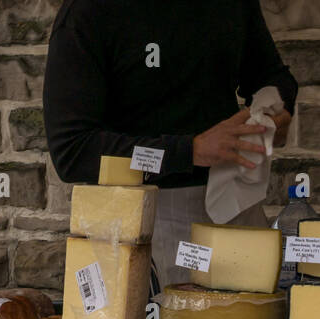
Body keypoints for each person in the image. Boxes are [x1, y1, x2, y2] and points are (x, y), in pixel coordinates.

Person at [44, 0, 298, 288]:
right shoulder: (88, 12)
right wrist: (189, 151)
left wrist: (274, 105)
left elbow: (269, 73)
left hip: (237, 206)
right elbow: (73, 151)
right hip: (145, 216)